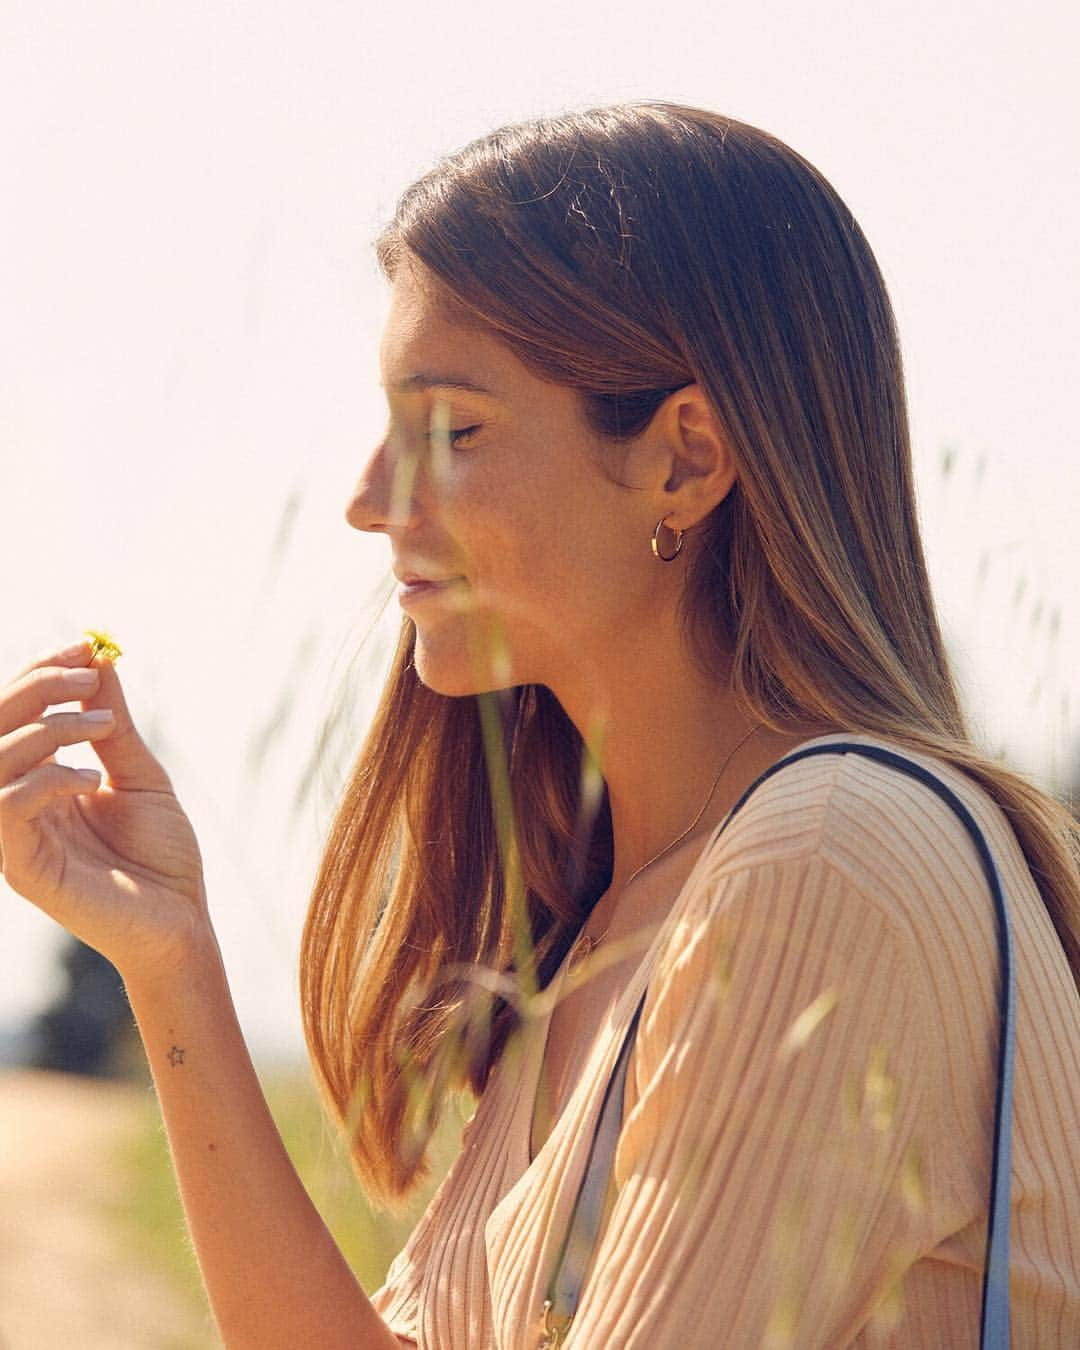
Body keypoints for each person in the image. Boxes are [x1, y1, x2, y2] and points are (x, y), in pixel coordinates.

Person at [1, 103, 1078, 1348]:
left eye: (450, 430)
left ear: (687, 459)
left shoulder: (827, 856)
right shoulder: (615, 928)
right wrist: (169, 958)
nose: (366, 502)